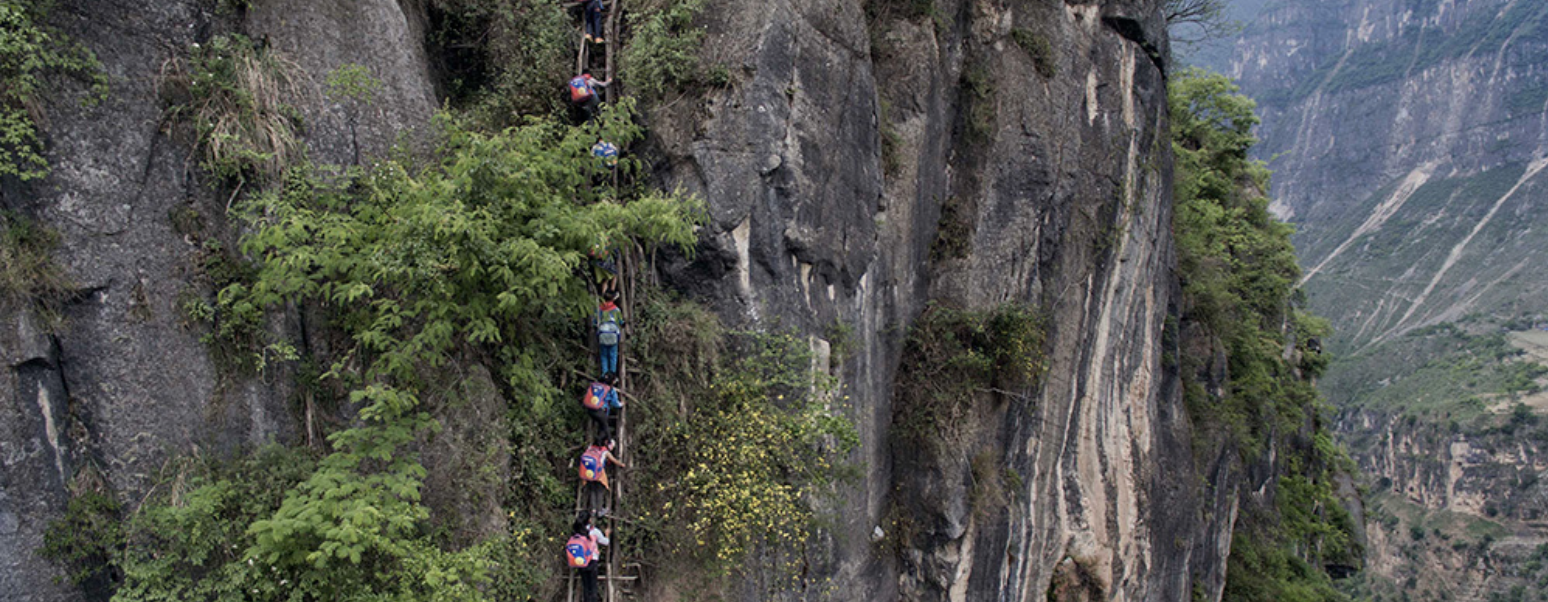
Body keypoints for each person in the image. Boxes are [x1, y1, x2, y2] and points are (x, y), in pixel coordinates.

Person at [565, 512, 611, 602]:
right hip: (592, 560)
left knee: (586, 586)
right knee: (593, 586)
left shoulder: (576, 531)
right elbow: (606, 542)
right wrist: (607, 534)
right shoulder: (594, 531)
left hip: (581, 560)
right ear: (589, 520)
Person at [578, 436, 626, 516]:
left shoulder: (591, 447)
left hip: (589, 474)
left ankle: (593, 509)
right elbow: (614, 460)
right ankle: (599, 510)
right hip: (598, 475)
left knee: (592, 490)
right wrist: (622, 464)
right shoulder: (605, 452)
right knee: (600, 491)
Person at [580, 373, 622, 439]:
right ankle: (605, 442)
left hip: (591, 409)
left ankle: (598, 441)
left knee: (601, 425)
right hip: (602, 410)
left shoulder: (596, 385)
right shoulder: (611, 390)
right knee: (604, 427)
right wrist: (621, 404)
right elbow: (615, 403)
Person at [595, 290, 624, 377]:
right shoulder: (616, 310)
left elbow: (595, 322)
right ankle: (612, 374)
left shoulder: (600, 309)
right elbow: (621, 322)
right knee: (613, 355)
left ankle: (604, 374)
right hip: (613, 334)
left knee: (603, 355)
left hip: (602, 334)